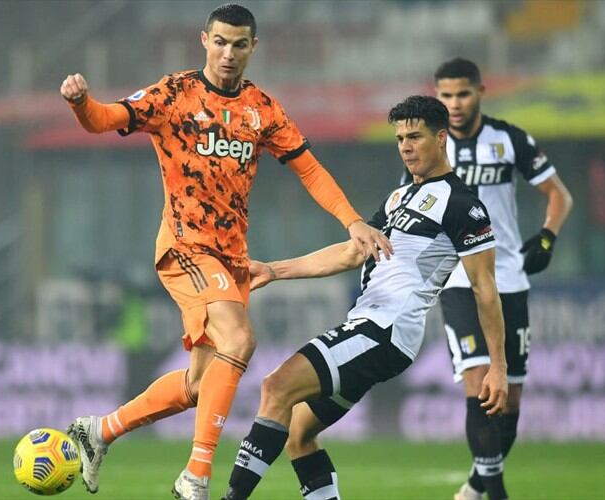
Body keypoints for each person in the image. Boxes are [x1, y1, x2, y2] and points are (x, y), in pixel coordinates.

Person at [58, 4, 391, 499]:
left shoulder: (263, 110)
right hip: (186, 248)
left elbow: (309, 169)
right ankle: (196, 476)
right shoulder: (174, 94)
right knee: (239, 341)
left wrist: (353, 220)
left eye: (239, 44)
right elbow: (106, 119)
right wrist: (82, 103)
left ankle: (98, 431)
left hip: (232, 259)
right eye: (219, 42)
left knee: (200, 384)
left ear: (253, 47)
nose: (228, 53)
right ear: (203, 40)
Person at [222, 96, 508, 500]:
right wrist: (275, 270)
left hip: (385, 331)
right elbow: (354, 250)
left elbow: (485, 288)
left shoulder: (462, 204)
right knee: (299, 434)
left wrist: (498, 366)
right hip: (367, 325)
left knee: (277, 386)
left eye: (415, 137)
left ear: (441, 138)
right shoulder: (397, 198)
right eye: (399, 138)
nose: (405, 146)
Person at [432, 58, 573, 500]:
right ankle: (495, 492)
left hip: (509, 276)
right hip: (457, 278)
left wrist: (547, 238)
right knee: (479, 382)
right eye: (446, 96)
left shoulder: (509, 139)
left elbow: (559, 195)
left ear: (480, 92)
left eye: (462, 94)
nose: (454, 104)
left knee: (508, 400)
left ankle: (475, 487)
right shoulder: (431, 146)